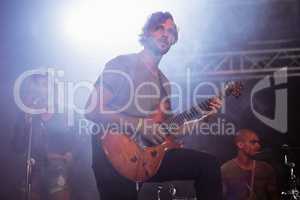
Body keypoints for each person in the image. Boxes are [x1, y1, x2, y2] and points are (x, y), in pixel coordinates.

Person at [85, 11, 224, 200]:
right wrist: (139, 124)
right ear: (147, 33)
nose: (166, 34)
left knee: (208, 165)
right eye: (160, 28)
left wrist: (204, 120)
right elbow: (92, 109)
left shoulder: (164, 83)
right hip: (113, 151)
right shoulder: (123, 64)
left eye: (172, 32)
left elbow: (169, 131)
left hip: (148, 156)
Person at [12, 72, 74, 200]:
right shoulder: (27, 113)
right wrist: (25, 120)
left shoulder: (65, 113)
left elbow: (78, 142)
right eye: (37, 85)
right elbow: (18, 148)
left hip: (58, 168)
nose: (41, 89)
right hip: (33, 169)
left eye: (45, 84)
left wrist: (70, 155)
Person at [221, 129, 280, 200]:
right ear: (240, 144)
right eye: (253, 142)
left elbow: (274, 196)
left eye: (258, 142)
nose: (258, 146)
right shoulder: (226, 169)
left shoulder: (266, 168)